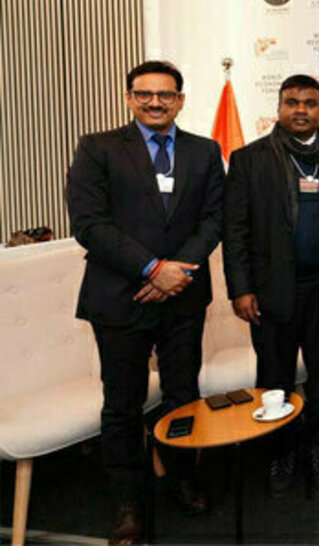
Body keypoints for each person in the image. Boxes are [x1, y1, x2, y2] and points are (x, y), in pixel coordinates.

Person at [66, 60, 224, 544]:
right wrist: (153, 269)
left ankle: (182, 478)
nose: (155, 102)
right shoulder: (97, 148)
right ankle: (129, 503)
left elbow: (214, 219)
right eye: (144, 94)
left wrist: (177, 272)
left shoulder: (204, 151)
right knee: (122, 405)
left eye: (166, 94)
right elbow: (89, 223)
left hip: (183, 297)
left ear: (180, 100)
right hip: (120, 297)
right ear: (129, 97)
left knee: (183, 395)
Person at [223, 74, 319, 498]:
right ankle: (280, 450)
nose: (300, 110)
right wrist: (240, 289)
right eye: (292, 102)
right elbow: (235, 230)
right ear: (278, 108)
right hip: (272, 292)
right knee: (274, 375)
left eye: (310, 103)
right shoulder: (249, 159)